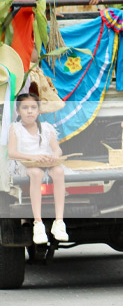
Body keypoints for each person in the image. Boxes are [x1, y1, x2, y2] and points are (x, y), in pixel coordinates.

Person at [12, 0, 103, 71]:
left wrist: (46, 13)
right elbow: (53, 1)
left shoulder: (17, 4)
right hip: (20, 67)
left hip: (22, 65)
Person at [7, 93, 69, 244]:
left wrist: (54, 155)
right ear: (18, 111)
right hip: (24, 163)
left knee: (59, 171)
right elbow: (12, 152)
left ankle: (59, 222)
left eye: (33, 107)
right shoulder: (15, 128)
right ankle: (38, 223)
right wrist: (32, 158)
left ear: (39, 111)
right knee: (36, 173)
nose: (30, 111)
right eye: (25, 108)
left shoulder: (46, 128)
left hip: (45, 162)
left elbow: (57, 150)